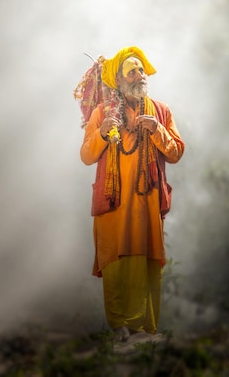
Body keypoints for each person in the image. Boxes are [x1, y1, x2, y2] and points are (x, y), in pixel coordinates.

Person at [77, 46, 184, 343]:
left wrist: (158, 130)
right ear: (120, 82)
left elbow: (176, 152)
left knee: (146, 259)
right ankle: (122, 332)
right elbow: (86, 156)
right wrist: (100, 134)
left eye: (141, 70)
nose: (141, 76)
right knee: (117, 261)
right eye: (132, 71)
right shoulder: (103, 113)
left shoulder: (161, 111)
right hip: (114, 206)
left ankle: (146, 331)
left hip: (147, 205)